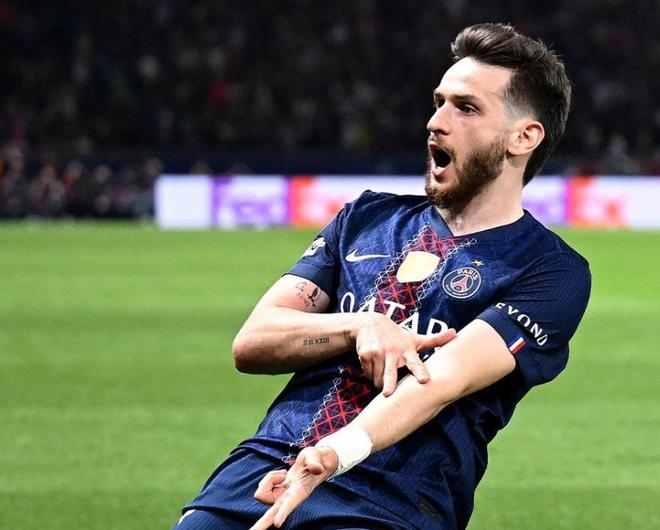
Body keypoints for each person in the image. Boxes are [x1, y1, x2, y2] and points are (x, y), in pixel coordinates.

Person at [174, 23, 591, 530]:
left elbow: (444, 379)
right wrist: (360, 325)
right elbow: (253, 342)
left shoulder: (550, 269)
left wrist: (334, 455)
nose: (435, 122)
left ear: (523, 137)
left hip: (388, 500)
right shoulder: (366, 218)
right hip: (258, 473)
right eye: (438, 102)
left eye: (466, 108)